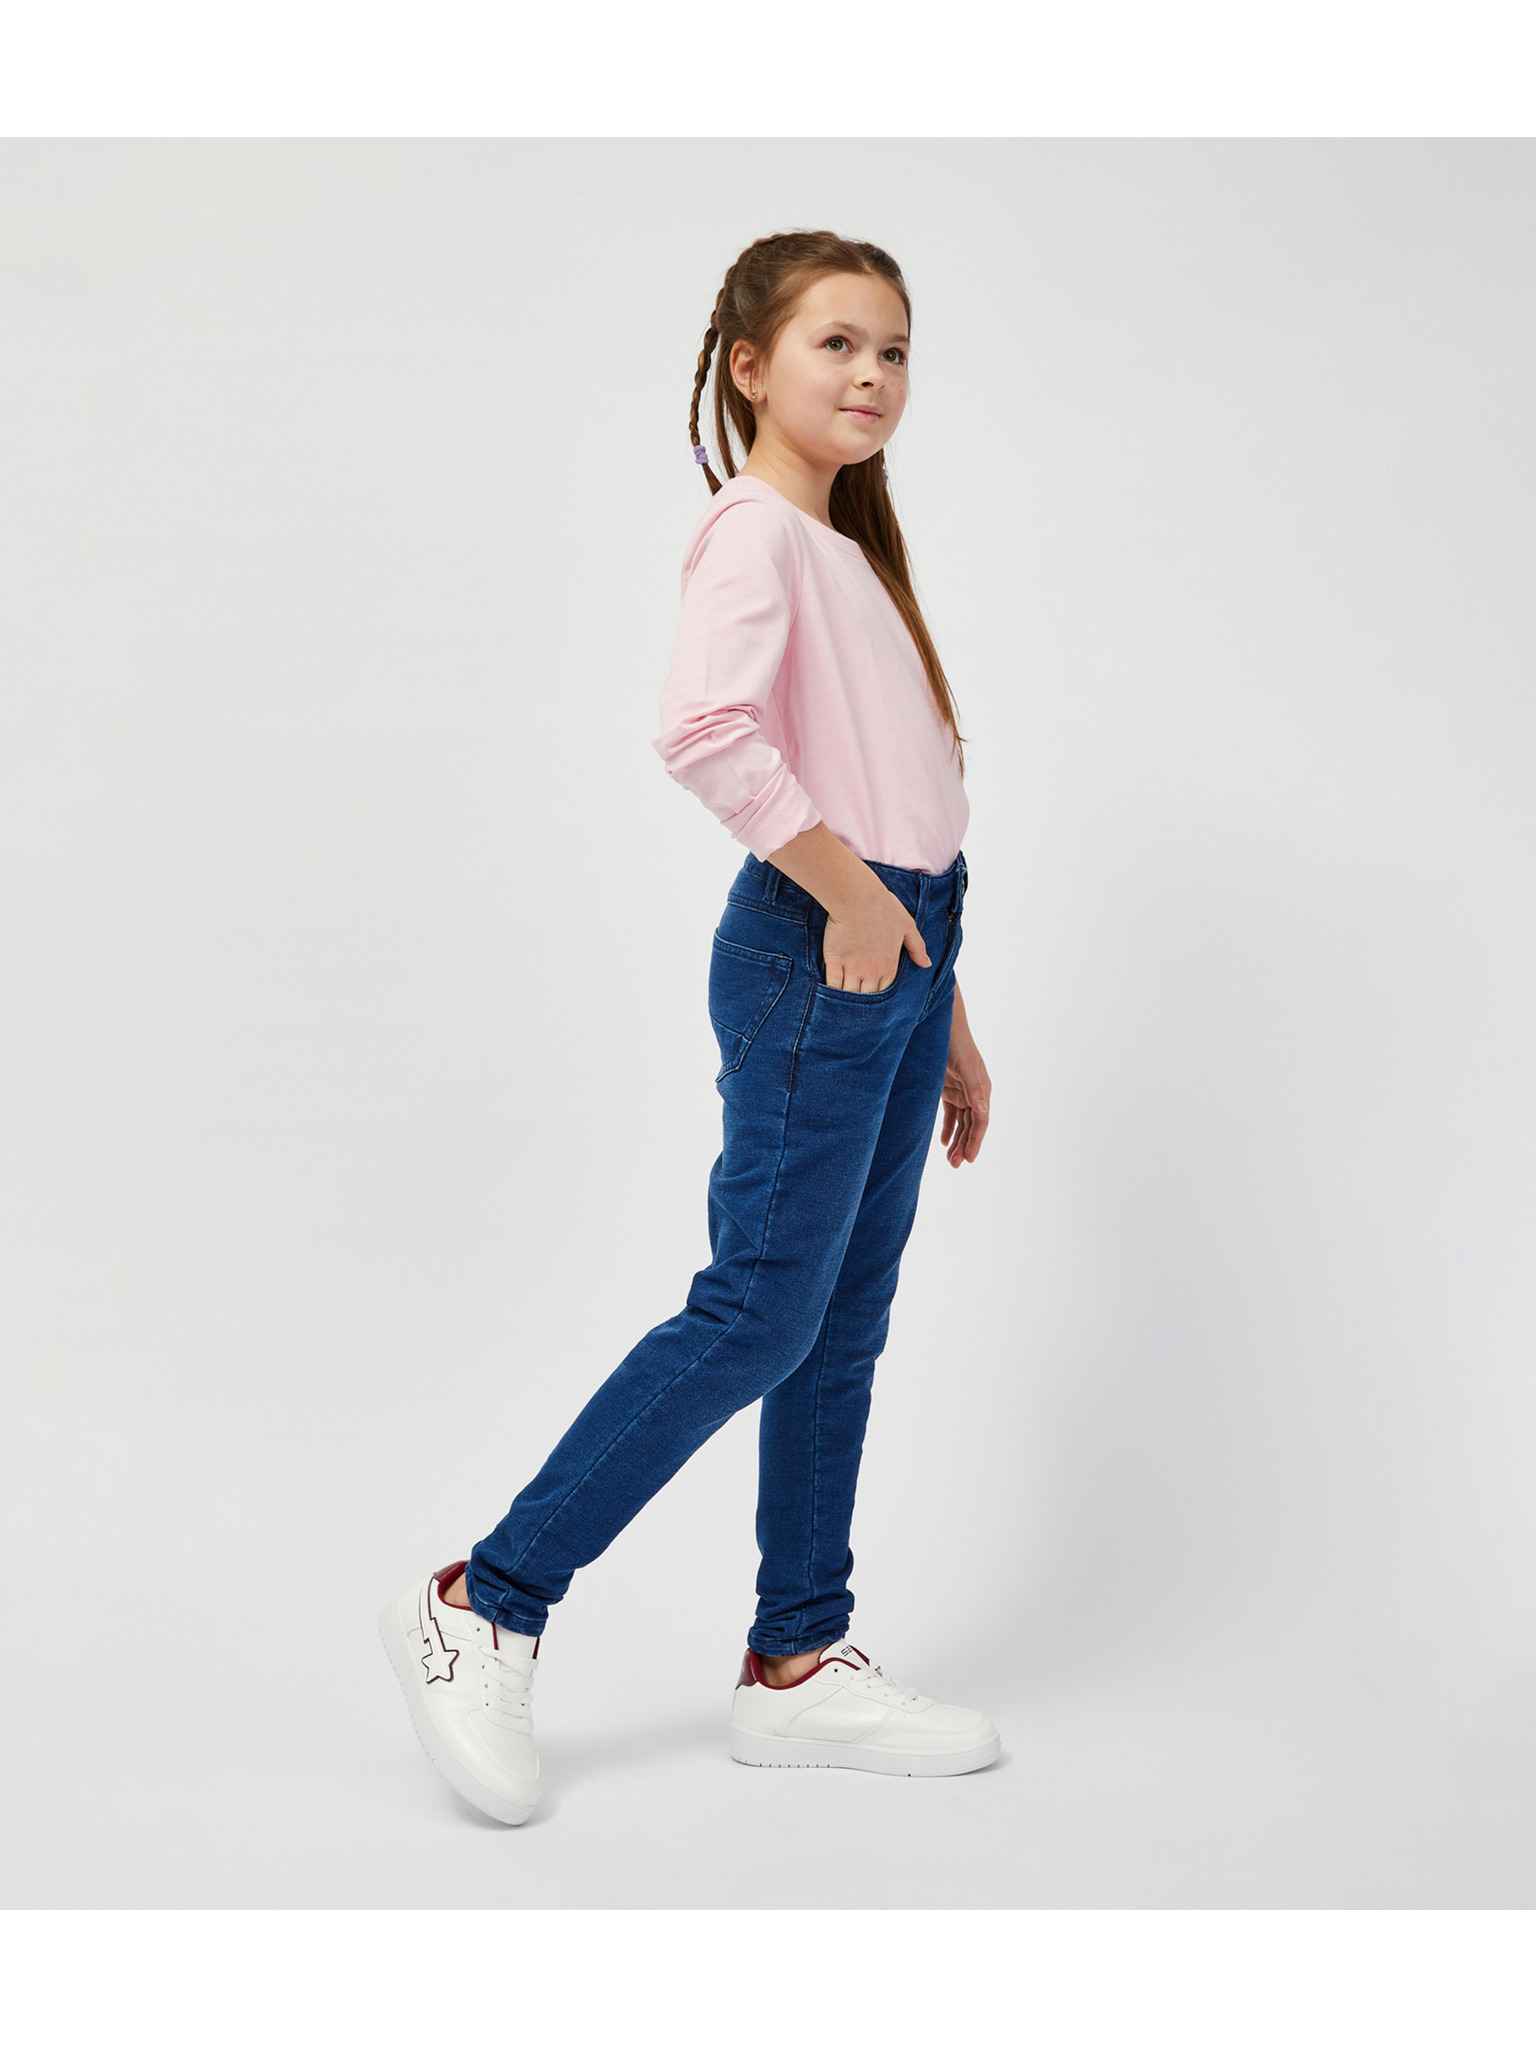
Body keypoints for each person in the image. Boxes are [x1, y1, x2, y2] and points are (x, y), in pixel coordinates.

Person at [381, 230, 999, 1825]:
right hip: (821, 949)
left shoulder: (847, 549)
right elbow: (705, 731)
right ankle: (486, 1598)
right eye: (835, 344)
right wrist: (852, 903)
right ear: (749, 365)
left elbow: (899, 794)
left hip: (894, 954)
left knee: (837, 1321)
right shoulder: (754, 530)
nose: (871, 375)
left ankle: (797, 1661)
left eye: (893, 350)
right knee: (759, 1315)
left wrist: (944, 1008)